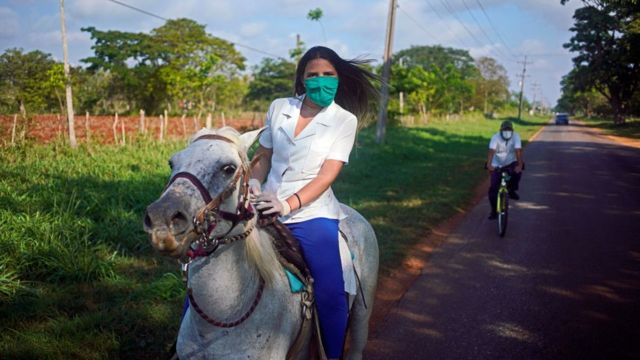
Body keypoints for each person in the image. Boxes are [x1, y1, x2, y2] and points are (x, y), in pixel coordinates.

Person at [248, 46, 378, 359]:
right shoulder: (280, 107)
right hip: (264, 201)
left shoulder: (343, 120)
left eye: (327, 75)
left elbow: (326, 175)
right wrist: (253, 181)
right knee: (211, 253)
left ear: (338, 78)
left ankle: (331, 354)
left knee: (331, 291)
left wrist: (286, 205)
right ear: (302, 79)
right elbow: (263, 156)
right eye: (313, 75)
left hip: (311, 212)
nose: (320, 81)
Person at [487, 120, 524, 220]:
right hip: (497, 164)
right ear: (500, 130)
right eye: (505, 129)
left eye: (509, 129)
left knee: (517, 172)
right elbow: (491, 151)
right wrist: (489, 164)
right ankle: (494, 210)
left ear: (512, 130)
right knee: (493, 189)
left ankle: (512, 190)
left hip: (511, 163)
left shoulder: (516, 136)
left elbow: (518, 151)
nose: (507, 131)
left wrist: (520, 164)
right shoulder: (495, 137)